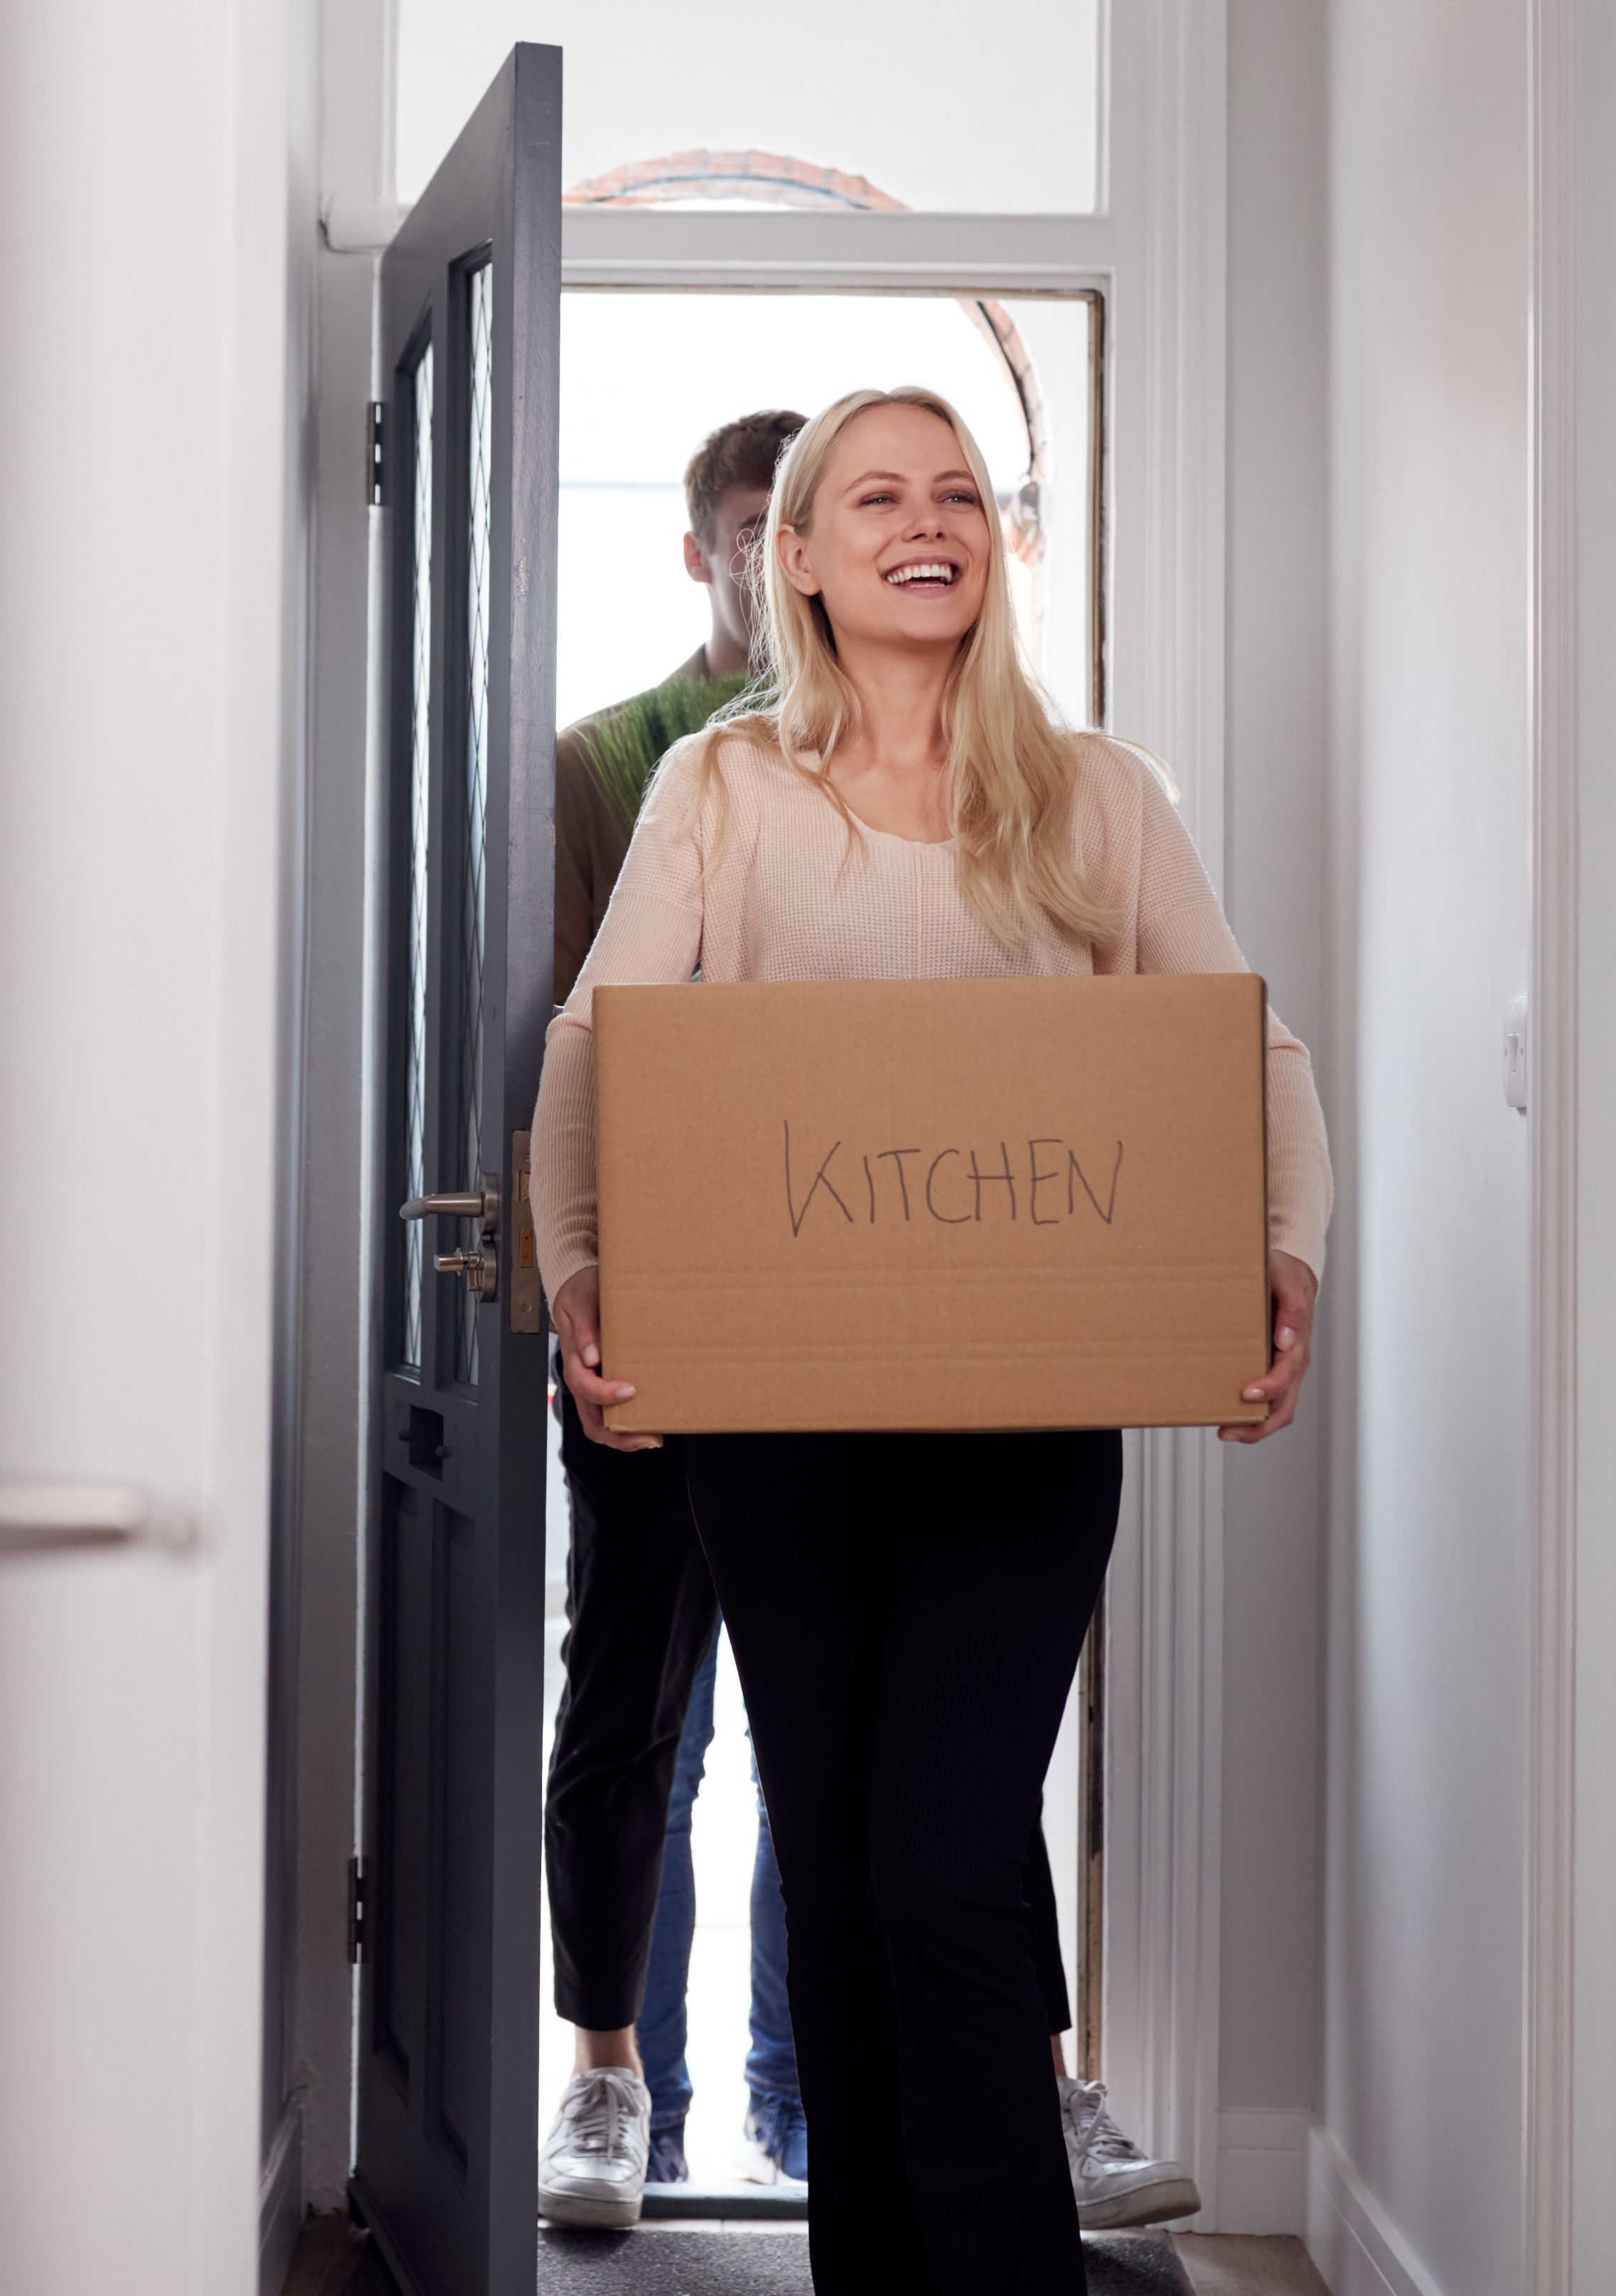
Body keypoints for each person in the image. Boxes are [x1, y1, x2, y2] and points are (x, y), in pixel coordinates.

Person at [530, 387, 1330, 2292]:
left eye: (958, 491)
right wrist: (574, 1271)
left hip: (1018, 1426)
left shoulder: (1096, 792)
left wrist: (1282, 1244)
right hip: (773, 1434)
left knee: (946, 1854)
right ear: (788, 552)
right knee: (834, 1857)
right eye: (876, 493)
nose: (927, 519)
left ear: (996, 542)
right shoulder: (717, 795)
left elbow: (1244, 1042)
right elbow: (595, 1047)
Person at [536, 409, 810, 2232]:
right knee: (637, 1708)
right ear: (703, 548)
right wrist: (584, 1280)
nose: (764, 561)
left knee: (832, 1721)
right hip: (649, 1306)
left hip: (836, 1307)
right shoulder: (597, 766)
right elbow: (566, 1039)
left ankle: (807, 2101)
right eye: (742, 527)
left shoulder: (908, 771)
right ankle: (616, 2080)